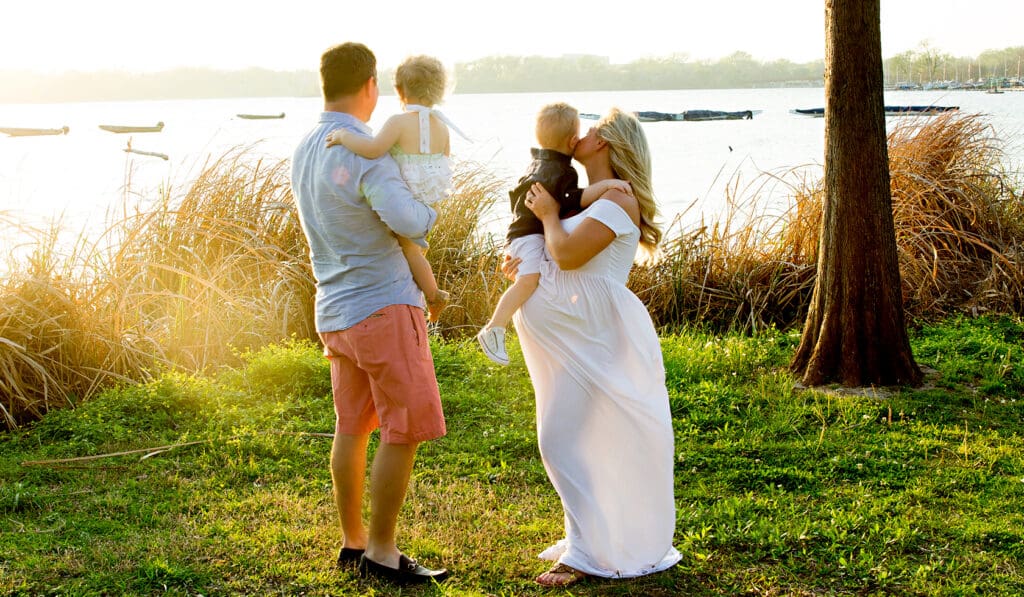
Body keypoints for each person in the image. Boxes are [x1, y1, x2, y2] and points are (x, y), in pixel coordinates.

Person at [291, 42, 448, 586]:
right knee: (402, 431)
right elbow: (406, 218)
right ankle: (382, 553)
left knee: (352, 427)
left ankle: (352, 541)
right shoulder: (366, 152)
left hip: (335, 307)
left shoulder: (307, 146)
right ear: (370, 86)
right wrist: (430, 211)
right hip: (381, 303)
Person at [507, 108, 681, 587]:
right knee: (575, 436)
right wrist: (526, 257)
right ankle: (586, 538)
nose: (579, 135)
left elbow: (567, 252)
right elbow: (553, 250)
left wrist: (545, 218)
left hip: (592, 333)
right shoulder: (585, 200)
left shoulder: (619, 202)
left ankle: (585, 553)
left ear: (606, 145)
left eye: (591, 131)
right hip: (570, 331)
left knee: (559, 438)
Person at [476, 102, 629, 365]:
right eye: (583, 132)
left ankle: (496, 328)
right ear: (571, 141)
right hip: (527, 240)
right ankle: (494, 328)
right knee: (526, 280)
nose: (582, 136)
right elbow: (573, 199)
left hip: (578, 336)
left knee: (527, 278)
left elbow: (534, 214)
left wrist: (514, 242)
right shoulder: (562, 173)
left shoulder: (537, 165)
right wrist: (606, 185)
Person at [325, 55, 468, 322]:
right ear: (438, 89)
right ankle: (432, 292)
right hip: (429, 203)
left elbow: (372, 149)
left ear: (399, 90)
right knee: (414, 250)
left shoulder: (398, 122)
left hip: (406, 199)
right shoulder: (442, 127)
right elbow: (444, 162)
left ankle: (435, 295)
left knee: (410, 251)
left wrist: (345, 137)